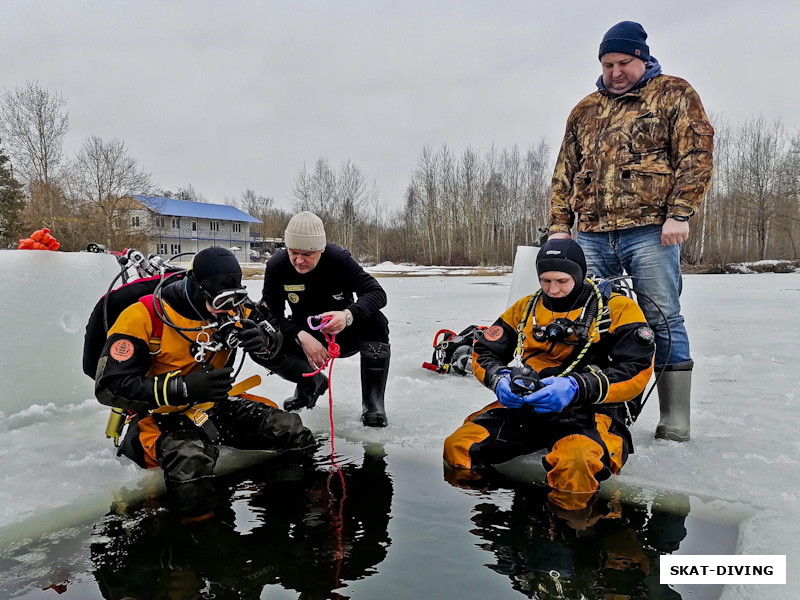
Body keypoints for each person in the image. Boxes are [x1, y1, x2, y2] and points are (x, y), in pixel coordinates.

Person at [547, 21, 714, 442]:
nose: (615, 72)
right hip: (593, 234)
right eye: (607, 64)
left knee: (662, 317)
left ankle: (674, 418)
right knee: (595, 318)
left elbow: (696, 155)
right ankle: (605, 403)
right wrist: (559, 227)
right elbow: (565, 172)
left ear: (642, 58)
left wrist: (680, 213)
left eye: (624, 62)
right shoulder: (585, 109)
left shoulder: (674, 94)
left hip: (652, 231)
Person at [94, 246, 315, 522]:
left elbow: (278, 344)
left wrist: (264, 341)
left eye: (235, 300)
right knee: (190, 463)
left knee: (290, 431)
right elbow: (109, 386)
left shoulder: (238, 310)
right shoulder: (144, 316)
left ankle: (285, 514)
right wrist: (181, 388)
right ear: (197, 290)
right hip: (158, 415)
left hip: (216, 404)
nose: (229, 311)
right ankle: (198, 540)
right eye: (221, 303)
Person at [443, 239, 655, 511]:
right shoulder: (526, 308)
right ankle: (503, 519)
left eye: (562, 281)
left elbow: (636, 369)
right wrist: (499, 378)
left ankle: (569, 531)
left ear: (579, 274)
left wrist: (576, 387)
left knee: (576, 466)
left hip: (591, 409)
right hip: (529, 405)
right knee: (459, 447)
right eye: (545, 280)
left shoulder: (617, 309)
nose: (553, 290)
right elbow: (484, 351)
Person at [255, 211, 391, 427]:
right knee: (259, 334)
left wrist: (348, 315)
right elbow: (270, 315)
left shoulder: (338, 259)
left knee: (376, 322)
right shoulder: (277, 266)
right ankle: (308, 385)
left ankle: (373, 404)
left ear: (321, 249)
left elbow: (376, 293)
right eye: (293, 252)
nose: (298, 261)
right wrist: (301, 337)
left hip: (342, 333)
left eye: (307, 254)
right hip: (303, 334)